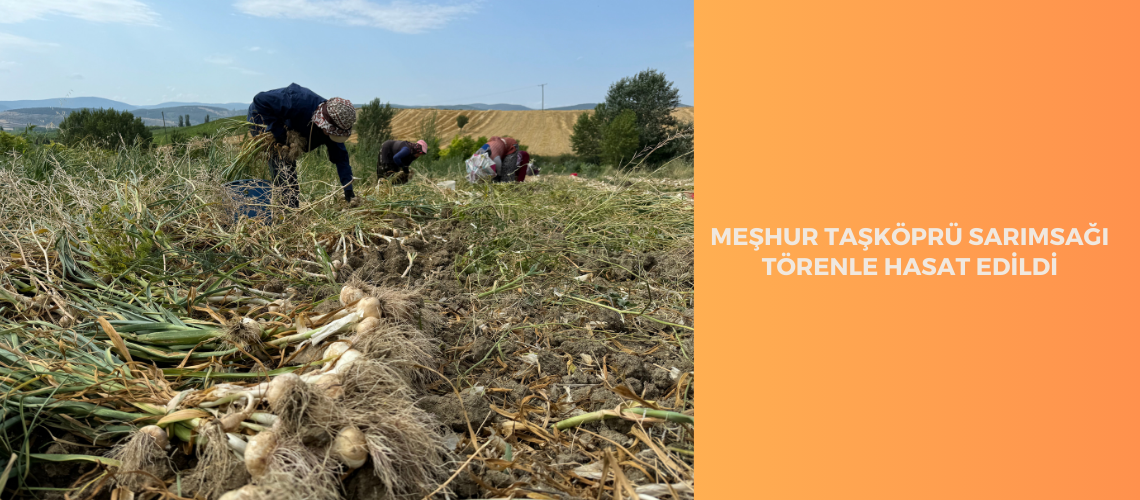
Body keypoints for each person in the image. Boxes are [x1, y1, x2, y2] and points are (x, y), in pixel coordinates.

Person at [247, 83, 357, 208]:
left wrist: (348, 189)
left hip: (293, 127)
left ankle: (290, 206)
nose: (331, 136)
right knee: (284, 171)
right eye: (330, 132)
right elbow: (260, 100)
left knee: (288, 174)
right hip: (264, 118)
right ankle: (286, 211)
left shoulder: (334, 127)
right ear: (324, 123)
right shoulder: (298, 101)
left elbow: (341, 158)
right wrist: (282, 136)